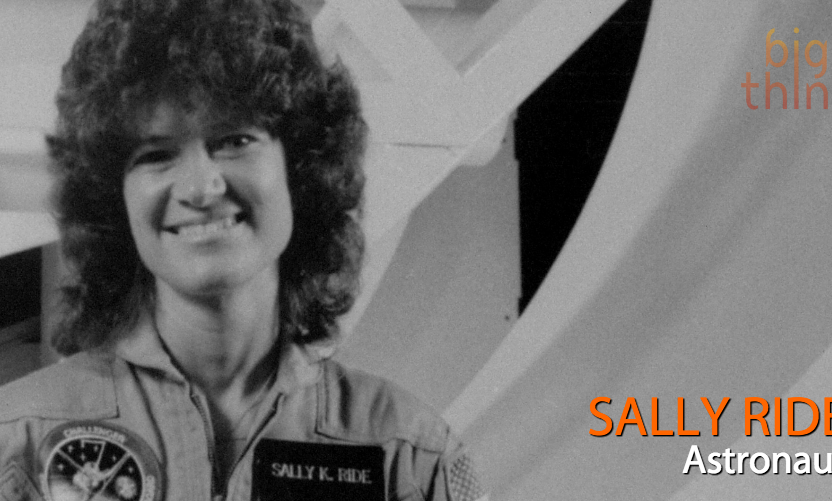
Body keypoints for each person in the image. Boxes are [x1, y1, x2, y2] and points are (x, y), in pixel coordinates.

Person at [0, 1, 486, 500]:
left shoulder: (412, 457)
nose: (200, 187)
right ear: (113, 197)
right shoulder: (17, 442)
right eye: (157, 154)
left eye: (234, 140)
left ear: (301, 167)